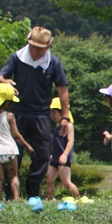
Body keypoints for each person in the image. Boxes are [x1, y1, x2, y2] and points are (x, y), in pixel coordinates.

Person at [0, 26, 70, 199]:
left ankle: (33, 192)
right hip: (17, 113)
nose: (35, 51)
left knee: (43, 154)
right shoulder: (17, 58)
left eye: (39, 48)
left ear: (47, 47)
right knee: (13, 154)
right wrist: (4, 81)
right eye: (32, 46)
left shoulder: (53, 63)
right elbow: (1, 76)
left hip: (41, 115)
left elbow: (62, 89)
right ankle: (10, 195)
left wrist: (65, 117)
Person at [0, 83, 33, 201]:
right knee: (13, 176)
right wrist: (28, 146)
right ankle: (16, 199)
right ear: (7, 102)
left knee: (0, 178)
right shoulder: (9, 116)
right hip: (10, 150)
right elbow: (17, 136)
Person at [45, 97, 79, 201]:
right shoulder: (58, 126)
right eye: (51, 113)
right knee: (49, 179)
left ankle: (78, 199)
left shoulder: (69, 125)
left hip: (63, 159)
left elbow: (70, 142)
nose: (52, 116)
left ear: (63, 112)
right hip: (55, 158)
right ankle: (50, 198)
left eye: (55, 112)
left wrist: (64, 154)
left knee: (66, 182)